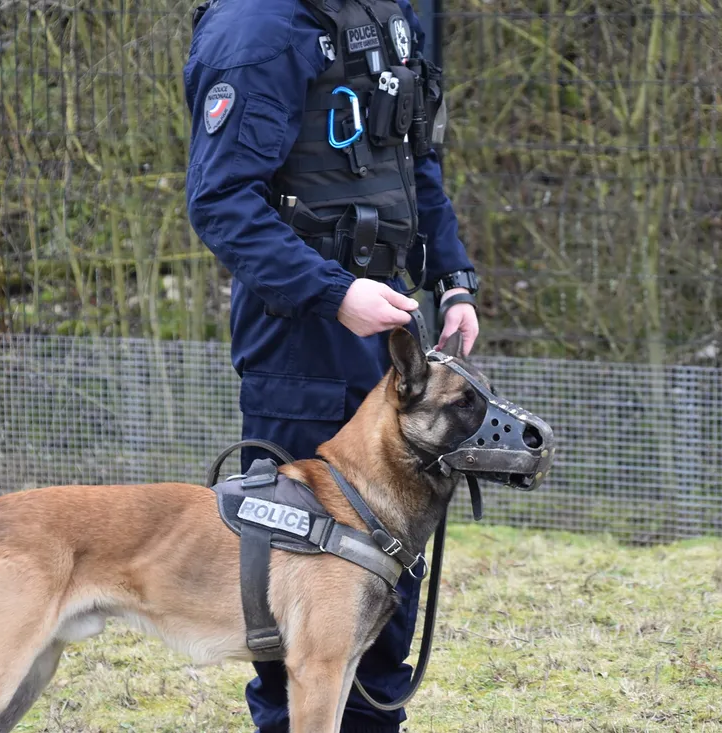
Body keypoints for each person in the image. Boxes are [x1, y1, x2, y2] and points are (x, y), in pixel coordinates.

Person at [182, 0, 480, 730]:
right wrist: (333, 291)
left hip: (390, 324)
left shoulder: (387, 15)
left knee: (388, 588)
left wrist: (453, 278)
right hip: (301, 342)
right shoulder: (258, 27)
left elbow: (413, 162)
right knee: (302, 614)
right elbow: (220, 201)